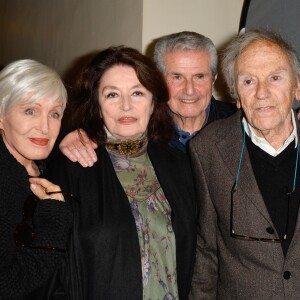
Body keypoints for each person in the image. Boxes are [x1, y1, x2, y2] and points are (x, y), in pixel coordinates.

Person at [44, 46, 196, 299]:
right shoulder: (69, 168)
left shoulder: (180, 165)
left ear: (153, 102)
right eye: (112, 95)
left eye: (137, 93)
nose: (126, 106)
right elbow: (50, 269)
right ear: (97, 104)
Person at [189, 29, 300, 299]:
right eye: (248, 81)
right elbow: (206, 252)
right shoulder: (208, 149)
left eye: (275, 77)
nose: (262, 93)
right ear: (236, 95)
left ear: (297, 86)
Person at [58, 31, 237, 166]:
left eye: (199, 77)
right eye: (177, 77)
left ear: (213, 79)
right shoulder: (140, 125)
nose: (189, 90)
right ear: (157, 81)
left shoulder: (239, 125)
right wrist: (68, 138)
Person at [0, 59, 72, 299]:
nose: (45, 127)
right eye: (30, 111)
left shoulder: (47, 166)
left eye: (54, 114)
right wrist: (55, 224)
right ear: (1, 116)